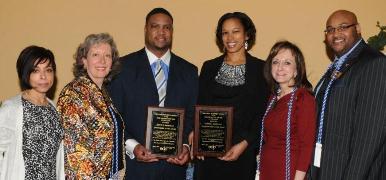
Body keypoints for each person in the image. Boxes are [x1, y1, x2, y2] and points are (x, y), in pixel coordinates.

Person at [108, 8, 198, 180]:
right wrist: (133, 146)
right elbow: (114, 116)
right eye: (155, 26)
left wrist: (185, 145)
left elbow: (191, 115)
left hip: (175, 170)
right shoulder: (122, 68)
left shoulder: (190, 71)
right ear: (146, 30)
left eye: (167, 27)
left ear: (172, 31)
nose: (161, 32)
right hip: (135, 169)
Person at [309, 10, 386, 180]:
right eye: (330, 30)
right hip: (327, 168)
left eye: (343, 27)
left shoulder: (374, 63)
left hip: (350, 171)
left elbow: (371, 135)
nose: (335, 34)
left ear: (357, 28)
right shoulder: (337, 66)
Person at [193, 12, 269, 180]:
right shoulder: (209, 67)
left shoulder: (261, 69)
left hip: (242, 155)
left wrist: (245, 144)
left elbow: (263, 114)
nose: (230, 37)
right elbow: (199, 105)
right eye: (225, 32)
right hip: (208, 156)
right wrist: (196, 136)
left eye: (236, 31)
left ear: (247, 34)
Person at [57, 33, 125, 179]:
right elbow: (75, 153)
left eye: (107, 56)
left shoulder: (104, 94)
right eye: (95, 55)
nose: (102, 61)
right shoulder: (74, 93)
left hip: (112, 175)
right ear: (84, 61)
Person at [0, 45, 64, 180]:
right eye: (35, 71)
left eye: (48, 70)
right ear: (25, 73)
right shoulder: (12, 108)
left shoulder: (53, 109)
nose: (43, 76)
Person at [256, 41, 316, 180]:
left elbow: (306, 147)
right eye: (275, 62)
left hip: (288, 173)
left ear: (297, 70)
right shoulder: (272, 97)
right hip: (266, 170)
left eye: (287, 63)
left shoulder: (303, 99)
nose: (280, 67)